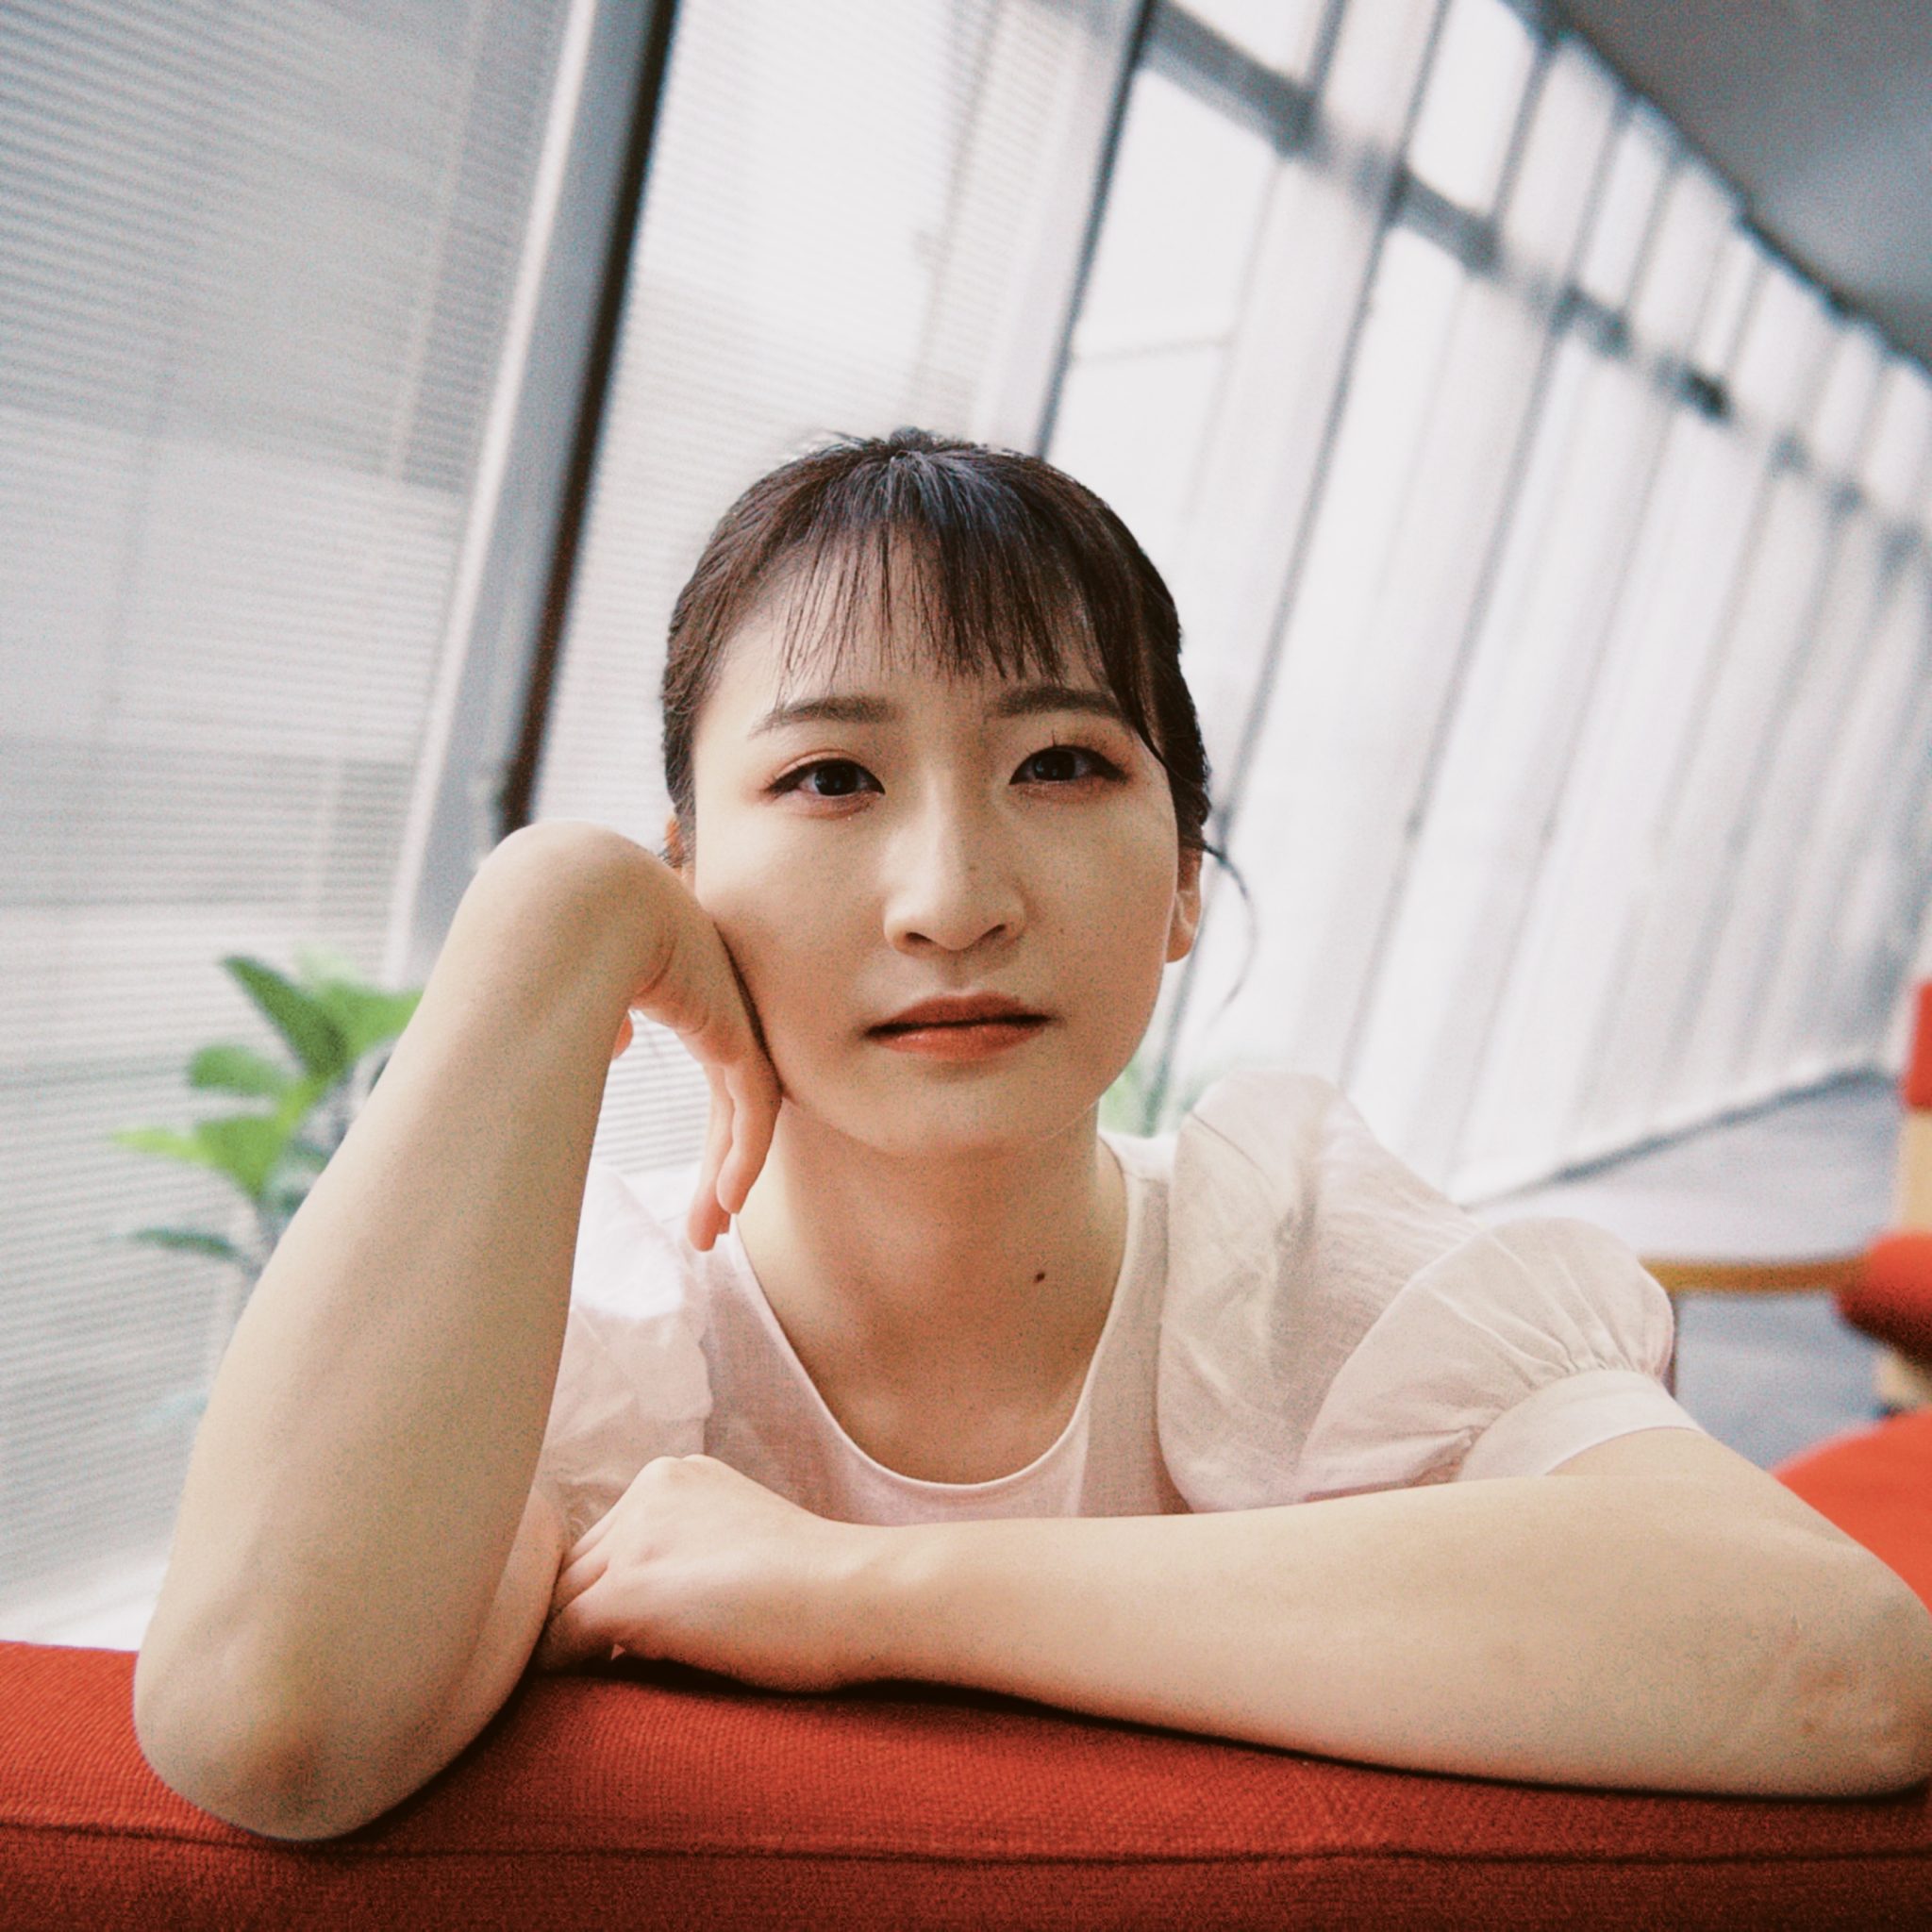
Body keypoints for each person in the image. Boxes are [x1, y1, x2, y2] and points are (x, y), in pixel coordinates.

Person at [132, 431, 1932, 1841]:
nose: (953, 899)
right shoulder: (596, 1345)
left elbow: (1846, 1667)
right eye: (830, 778)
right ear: (688, 878)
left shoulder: (1306, 1274)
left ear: (1183, 877)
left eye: (1062, 764)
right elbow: (268, 1724)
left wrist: (869, 1592)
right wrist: (548, 916)